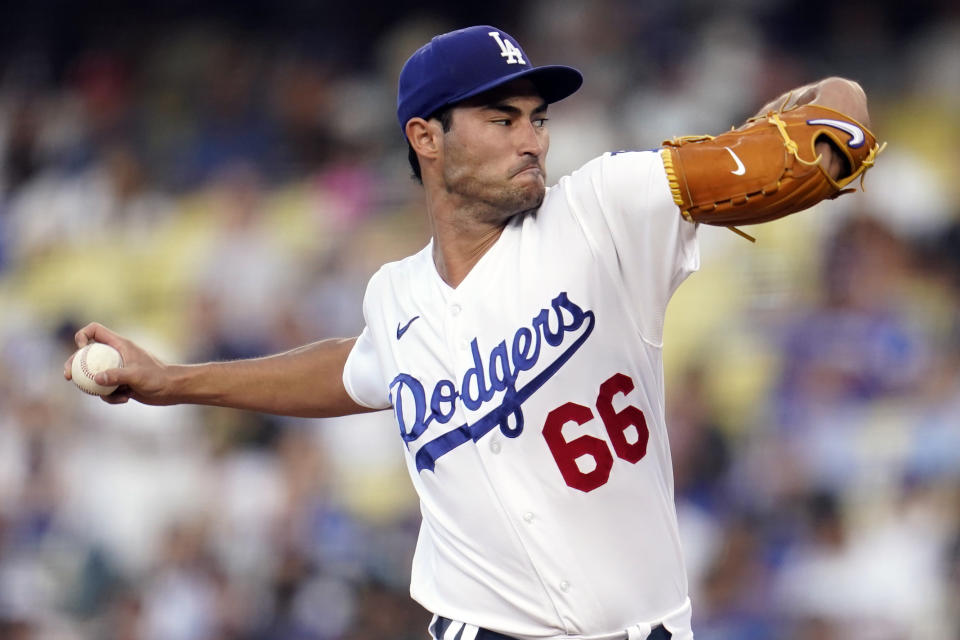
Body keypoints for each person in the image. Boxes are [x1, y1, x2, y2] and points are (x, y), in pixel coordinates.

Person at [64, 25, 878, 640]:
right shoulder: (396, 295)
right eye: (500, 116)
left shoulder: (602, 209)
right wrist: (170, 382)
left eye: (537, 116)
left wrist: (837, 92)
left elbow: (828, 143)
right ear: (426, 136)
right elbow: (355, 370)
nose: (533, 137)